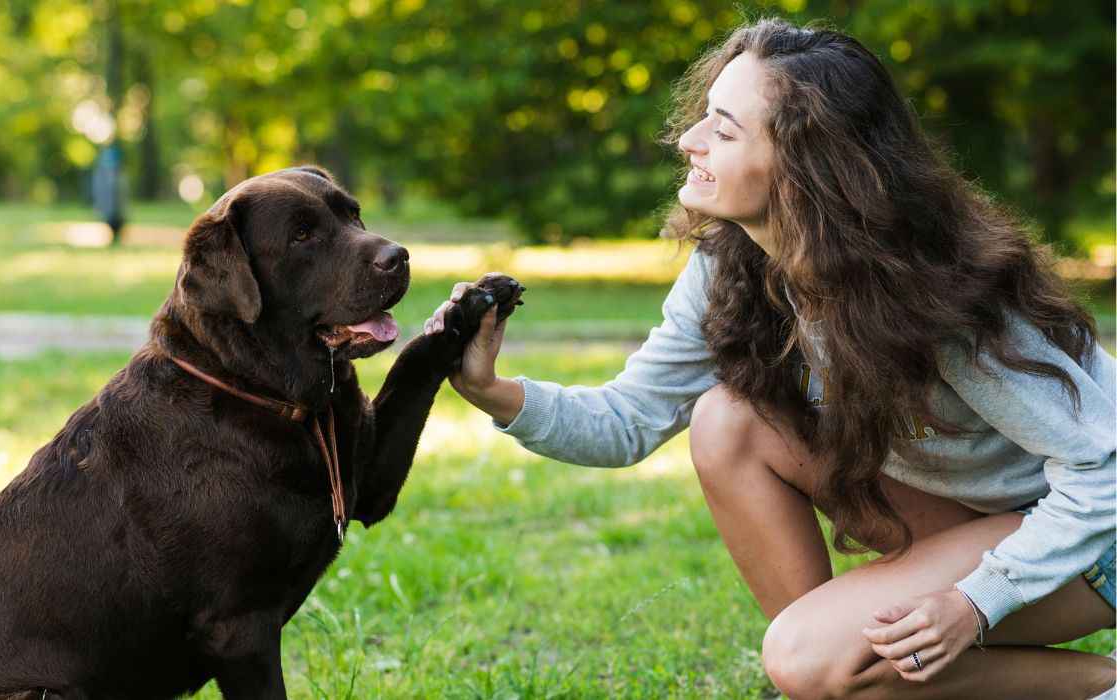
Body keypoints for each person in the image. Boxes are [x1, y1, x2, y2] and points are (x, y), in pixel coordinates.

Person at [422, 16, 1116, 700]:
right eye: (704, 118)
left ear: (807, 165)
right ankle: (836, 678)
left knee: (806, 657)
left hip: (1093, 536)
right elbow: (629, 418)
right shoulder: (733, 263)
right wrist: (491, 390)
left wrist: (976, 600)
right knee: (727, 420)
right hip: (977, 513)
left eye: (723, 131)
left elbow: (1102, 468)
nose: (688, 140)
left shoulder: (934, 294)